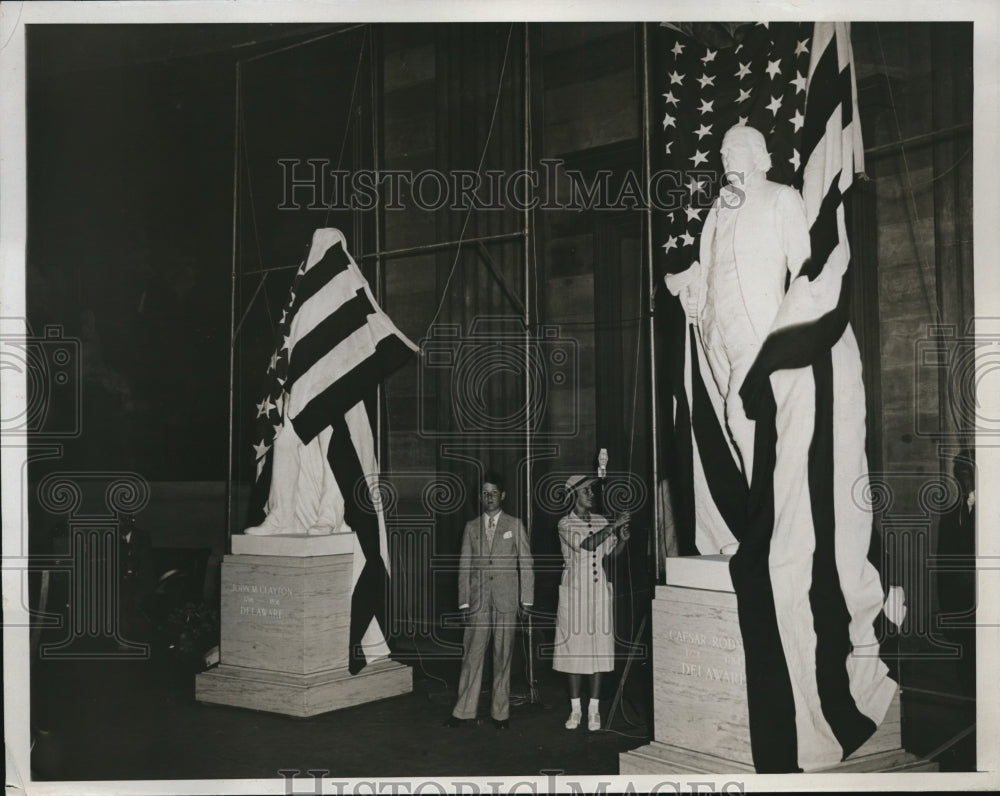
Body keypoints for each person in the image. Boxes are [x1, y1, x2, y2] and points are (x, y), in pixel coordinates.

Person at [444, 472, 533, 729]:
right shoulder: (471, 527)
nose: (489, 497)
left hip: (507, 600)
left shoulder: (515, 525)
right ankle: (462, 712)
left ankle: (500, 714)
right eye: (485, 493)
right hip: (478, 601)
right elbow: (464, 566)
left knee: (503, 656)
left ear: (502, 495)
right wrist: (464, 602)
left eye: (494, 492)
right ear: (480, 497)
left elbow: (526, 564)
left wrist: (527, 600)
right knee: (472, 655)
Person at [552, 474, 630, 731]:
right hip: (575, 593)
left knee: (598, 648)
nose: (591, 495)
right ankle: (575, 710)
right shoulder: (565, 523)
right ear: (573, 495)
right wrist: (612, 526)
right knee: (574, 649)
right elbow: (586, 545)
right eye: (586, 491)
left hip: (598, 592)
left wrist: (622, 538)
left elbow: (609, 553)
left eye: (591, 491)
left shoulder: (599, 520)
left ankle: (593, 710)